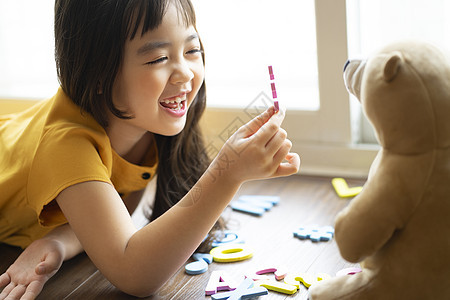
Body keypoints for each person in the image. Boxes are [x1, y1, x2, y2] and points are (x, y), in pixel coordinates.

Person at [0, 0, 300, 299]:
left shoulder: (142, 121)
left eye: (192, 50)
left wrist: (59, 242)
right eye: (158, 59)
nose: (184, 73)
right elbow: (134, 274)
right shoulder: (66, 145)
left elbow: (117, 216)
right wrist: (228, 174)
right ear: (99, 72)